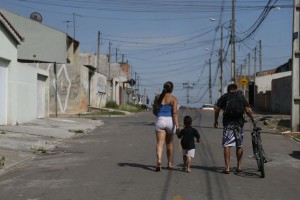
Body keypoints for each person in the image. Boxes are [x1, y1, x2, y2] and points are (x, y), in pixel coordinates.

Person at [214, 83, 255, 174]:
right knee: (239, 145)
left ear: (228, 89)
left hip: (228, 124)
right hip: (239, 124)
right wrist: (252, 119)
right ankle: (239, 166)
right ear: (235, 89)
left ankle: (227, 167)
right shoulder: (241, 97)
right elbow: (247, 110)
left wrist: (215, 120)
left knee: (226, 145)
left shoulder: (224, 97)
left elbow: (217, 110)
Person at [152, 81, 179, 172]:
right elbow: (175, 113)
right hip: (170, 121)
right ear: (172, 89)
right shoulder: (173, 99)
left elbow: (154, 111)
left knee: (160, 142)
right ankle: (169, 163)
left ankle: (159, 160)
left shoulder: (157, 97)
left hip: (160, 120)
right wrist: (177, 126)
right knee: (169, 143)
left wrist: (159, 116)